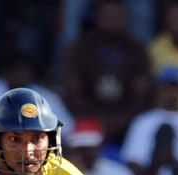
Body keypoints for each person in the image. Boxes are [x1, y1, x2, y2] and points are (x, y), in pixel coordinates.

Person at [61, 0, 153, 145]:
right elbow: (73, 92)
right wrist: (96, 118)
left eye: (116, 16)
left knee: (143, 126)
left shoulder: (137, 50)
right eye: (107, 15)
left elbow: (141, 94)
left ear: (125, 18)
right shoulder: (79, 48)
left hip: (127, 122)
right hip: (88, 118)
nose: (111, 20)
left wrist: (122, 119)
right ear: (96, 17)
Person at [0, 49, 73, 153]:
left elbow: (68, 136)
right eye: (15, 69)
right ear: (6, 71)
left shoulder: (46, 98)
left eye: (24, 69)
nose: (20, 74)